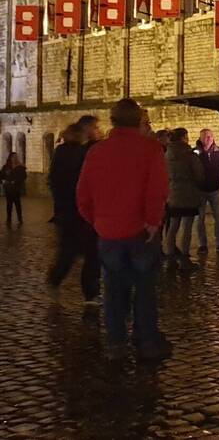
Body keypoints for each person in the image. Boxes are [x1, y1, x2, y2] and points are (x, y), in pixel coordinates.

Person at [76, 98, 170, 361]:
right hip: (141, 232)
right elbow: (157, 190)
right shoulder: (150, 149)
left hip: (109, 233)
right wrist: (153, 221)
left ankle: (116, 343)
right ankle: (146, 339)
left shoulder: (97, 152)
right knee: (145, 288)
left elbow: (83, 196)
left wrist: (99, 222)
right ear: (138, 120)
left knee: (113, 289)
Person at [46, 123, 100, 306]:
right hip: (80, 211)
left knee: (69, 251)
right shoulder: (81, 154)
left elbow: (53, 181)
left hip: (66, 211)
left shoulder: (60, 153)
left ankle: (55, 278)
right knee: (91, 253)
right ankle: (90, 293)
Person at [164, 128, 204, 271]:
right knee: (187, 226)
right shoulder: (189, 155)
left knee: (173, 226)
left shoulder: (167, 154)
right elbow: (199, 174)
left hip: (173, 193)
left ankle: (170, 255)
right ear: (183, 137)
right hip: (188, 193)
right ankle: (184, 258)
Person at [196, 129, 219, 253]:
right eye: (206, 137)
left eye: (210, 136)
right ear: (201, 138)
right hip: (200, 190)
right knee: (199, 219)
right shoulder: (196, 153)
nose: (209, 138)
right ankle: (202, 244)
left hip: (216, 190)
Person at [1, 153, 27, 224]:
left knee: (17, 203)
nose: (15, 158)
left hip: (16, 188)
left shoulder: (20, 167)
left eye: (16, 157)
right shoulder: (6, 167)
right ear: (10, 158)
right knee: (9, 204)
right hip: (8, 188)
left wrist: (16, 181)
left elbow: (23, 176)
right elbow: (1, 175)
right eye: (13, 157)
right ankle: (8, 218)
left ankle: (20, 218)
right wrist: (3, 181)